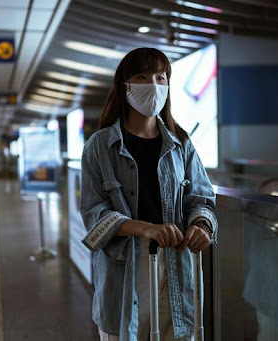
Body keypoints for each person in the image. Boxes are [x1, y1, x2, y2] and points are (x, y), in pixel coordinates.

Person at [81, 47, 217, 341]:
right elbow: (94, 217)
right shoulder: (99, 146)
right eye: (142, 77)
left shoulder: (181, 142)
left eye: (161, 77)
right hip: (123, 267)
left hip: (176, 263)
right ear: (124, 86)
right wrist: (147, 229)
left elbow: (202, 199)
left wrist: (202, 226)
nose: (153, 85)